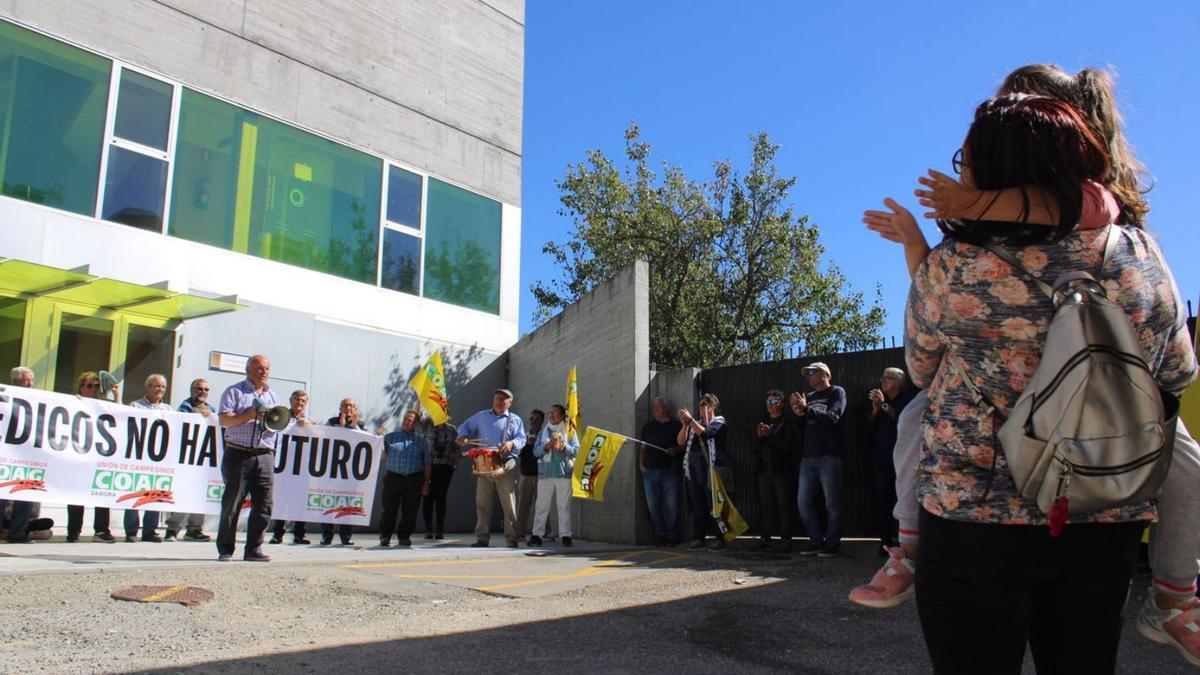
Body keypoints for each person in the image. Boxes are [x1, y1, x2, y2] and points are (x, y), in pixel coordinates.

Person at [862, 64, 1200, 671]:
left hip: (976, 513)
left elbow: (918, 366)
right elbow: (1178, 373)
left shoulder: (956, 264)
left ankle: (905, 549)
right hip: (1100, 502)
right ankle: (1176, 597)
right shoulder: (1140, 253)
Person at [216, 355, 278, 562]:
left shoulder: (273, 397)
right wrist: (250, 415)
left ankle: (254, 549)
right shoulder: (234, 392)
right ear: (248, 370)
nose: (264, 372)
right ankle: (225, 549)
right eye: (259, 368)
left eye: (266, 368)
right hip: (238, 454)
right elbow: (224, 419)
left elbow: (280, 424)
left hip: (265, 455)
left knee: (264, 505)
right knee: (233, 503)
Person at [456, 388, 526, 548]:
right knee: (482, 502)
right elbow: (465, 427)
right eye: (497, 398)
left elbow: (522, 438)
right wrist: (463, 436)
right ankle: (482, 538)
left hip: (507, 463)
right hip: (485, 462)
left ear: (510, 402)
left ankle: (512, 538)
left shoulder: (515, 420)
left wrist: (511, 443)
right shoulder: (481, 416)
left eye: (503, 399)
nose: (499, 401)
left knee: (509, 503)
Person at [790, 362, 846, 558]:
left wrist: (807, 410)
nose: (809, 377)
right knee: (803, 502)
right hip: (808, 457)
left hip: (829, 455)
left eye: (812, 372)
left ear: (825, 374)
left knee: (832, 503)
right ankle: (815, 542)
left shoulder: (836, 392)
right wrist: (798, 414)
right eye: (808, 374)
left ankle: (831, 545)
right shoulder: (810, 397)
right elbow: (801, 429)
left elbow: (833, 417)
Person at [4, 366, 57, 543]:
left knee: (26, 493)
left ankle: (18, 533)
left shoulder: (37, 400)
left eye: (31, 380)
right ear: (15, 381)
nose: (30, 383)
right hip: (8, 453)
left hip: (29, 455)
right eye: (27, 380)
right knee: (3, 494)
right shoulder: (6, 397)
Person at [867, 368, 911, 554]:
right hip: (881, 458)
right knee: (883, 499)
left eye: (889, 378)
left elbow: (901, 421)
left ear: (899, 382)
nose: (883, 381)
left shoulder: (907, 401)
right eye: (882, 377)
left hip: (901, 459)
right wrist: (876, 410)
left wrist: (884, 405)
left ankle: (902, 541)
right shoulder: (879, 404)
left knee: (900, 499)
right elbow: (868, 430)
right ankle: (885, 541)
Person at [676, 393, 728, 552]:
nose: (701, 407)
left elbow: (707, 434)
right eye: (700, 405)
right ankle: (699, 538)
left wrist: (691, 421)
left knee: (715, 505)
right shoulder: (695, 424)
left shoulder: (719, 421)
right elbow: (680, 442)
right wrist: (685, 425)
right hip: (694, 468)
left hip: (711, 468)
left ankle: (721, 539)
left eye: (705, 404)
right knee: (697, 503)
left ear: (713, 407)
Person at [164, 377, 213, 542]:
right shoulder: (184, 408)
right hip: (186, 459)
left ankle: (194, 530)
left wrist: (211, 417)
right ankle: (172, 529)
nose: (202, 392)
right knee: (182, 494)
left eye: (206, 389)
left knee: (200, 496)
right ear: (192, 390)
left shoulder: (211, 410)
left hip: (204, 460)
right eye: (199, 389)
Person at [754, 389, 801, 553]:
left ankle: (786, 540)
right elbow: (758, 448)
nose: (770, 405)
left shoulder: (787, 422)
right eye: (768, 402)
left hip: (782, 471)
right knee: (766, 506)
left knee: (784, 506)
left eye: (774, 402)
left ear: (781, 404)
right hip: (765, 471)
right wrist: (760, 436)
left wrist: (770, 435)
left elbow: (787, 446)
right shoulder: (764, 421)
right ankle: (765, 539)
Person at [125, 374, 170, 542]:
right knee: (134, 493)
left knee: (155, 493)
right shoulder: (135, 406)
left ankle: (150, 531)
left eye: (163, 387)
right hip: (138, 455)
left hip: (159, 458)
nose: (160, 389)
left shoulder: (168, 410)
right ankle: (131, 531)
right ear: (147, 387)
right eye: (156, 386)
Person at [378, 410, 432, 547]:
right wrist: (379, 439)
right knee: (389, 509)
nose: (409, 422)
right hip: (393, 478)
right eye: (407, 419)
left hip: (414, 479)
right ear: (403, 419)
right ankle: (385, 536)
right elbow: (382, 456)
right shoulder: (390, 437)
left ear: (417, 424)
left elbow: (427, 464)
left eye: (413, 421)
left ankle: (404, 536)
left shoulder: (421, 442)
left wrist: (426, 482)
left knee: (410, 510)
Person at [529, 404, 579, 547]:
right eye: (550, 413)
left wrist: (564, 447)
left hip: (564, 474)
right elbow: (536, 452)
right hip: (545, 474)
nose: (551, 415)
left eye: (555, 413)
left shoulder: (569, 431)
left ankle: (566, 536)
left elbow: (576, 451)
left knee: (564, 506)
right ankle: (537, 535)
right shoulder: (543, 432)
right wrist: (547, 446)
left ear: (562, 416)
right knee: (541, 506)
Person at [271, 389, 315, 544]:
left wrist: (308, 427)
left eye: (303, 401)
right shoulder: (282, 416)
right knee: (281, 499)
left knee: (300, 500)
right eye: (297, 400)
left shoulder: (310, 420)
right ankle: (277, 534)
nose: (299, 403)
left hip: (302, 467)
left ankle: (299, 534)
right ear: (291, 401)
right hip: (283, 466)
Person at [321, 397, 366, 546]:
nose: (348, 408)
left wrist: (354, 427)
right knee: (329, 502)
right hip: (333, 470)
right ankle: (326, 536)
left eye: (351, 406)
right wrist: (340, 428)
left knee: (349, 503)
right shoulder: (331, 421)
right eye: (345, 405)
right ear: (340, 408)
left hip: (351, 473)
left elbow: (366, 442)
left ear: (355, 409)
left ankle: (346, 536)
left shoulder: (360, 424)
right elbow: (325, 439)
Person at [639, 397, 684, 546]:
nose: (654, 410)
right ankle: (660, 535)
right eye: (653, 408)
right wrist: (641, 465)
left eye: (657, 407)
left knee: (672, 505)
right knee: (653, 507)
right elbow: (643, 447)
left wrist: (675, 450)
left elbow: (683, 446)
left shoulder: (676, 426)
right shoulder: (649, 427)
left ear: (665, 409)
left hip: (669, 471)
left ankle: (673, 536)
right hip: (650, 472)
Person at [420, 417, 459, 540]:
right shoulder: (428, 426)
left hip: (444, 467)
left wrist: (454, 466)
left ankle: (439, 528)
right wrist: (419, 402)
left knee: (441, 498)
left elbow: (457, 449)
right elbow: (418, 416)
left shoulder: (452, 429)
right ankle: (428, 528)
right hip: (428, 466)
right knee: (427, 497)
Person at [516, 409, 545, 541]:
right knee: (522, 504)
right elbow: (517, 453)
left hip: (541, 474)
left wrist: (537, 445)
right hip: (526, 474)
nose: (533, 421)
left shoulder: (545, 436)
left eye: (537, 419)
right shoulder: (523, 435)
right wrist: (526, 444)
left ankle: (545, 532)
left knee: (543, 505)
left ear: (542, 421)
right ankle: (519, 531)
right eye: (532, 419)